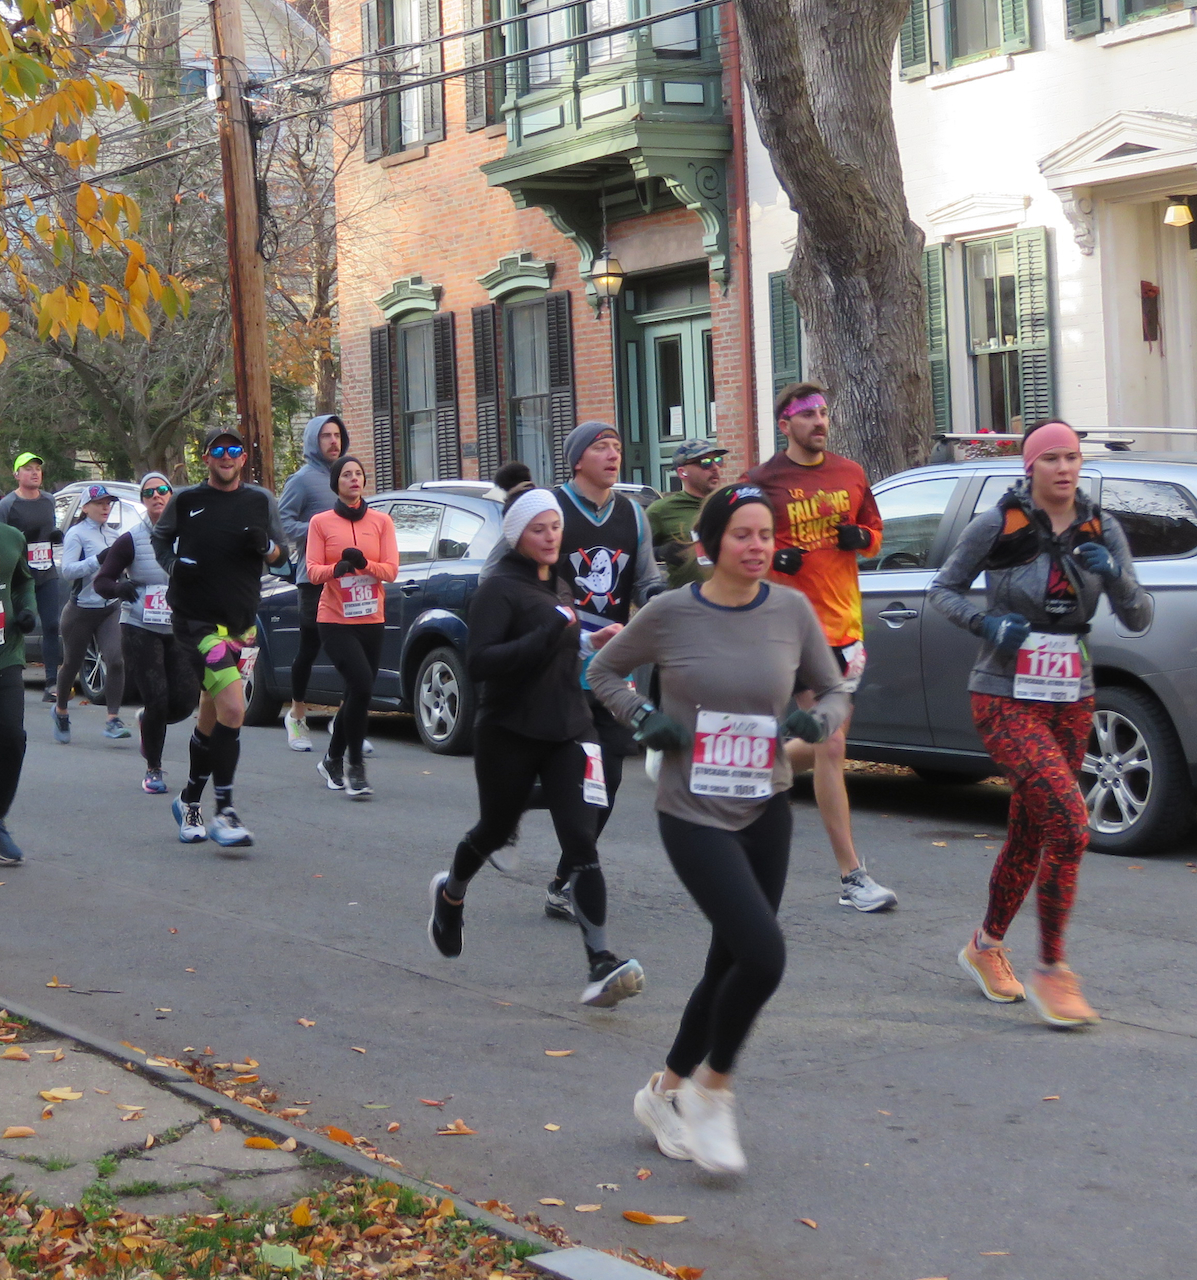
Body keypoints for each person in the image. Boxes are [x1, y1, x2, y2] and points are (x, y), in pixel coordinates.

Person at [588, 483, 849, 1174]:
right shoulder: (671, 613)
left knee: (728, 961)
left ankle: (664, 1091)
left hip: (765, 806)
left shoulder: (790, 611)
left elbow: (834, 688)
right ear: (710, 544)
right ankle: (713, 1089)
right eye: (742, 534)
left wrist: (816, 719)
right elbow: (603, 670)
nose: (757, 546)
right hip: (692, 811)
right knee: (763, 956)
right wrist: (644, 718)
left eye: (765, 534)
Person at [929, 420, 1150, 1028]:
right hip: (1004, 694)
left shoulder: (1101, 527)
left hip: (1072, 697)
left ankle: (985, 946)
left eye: (1071, 457)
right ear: (1030, 468)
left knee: (1032, 832)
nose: (1064, 467)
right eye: (1051, 458)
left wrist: (1115, 575)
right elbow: (943, 589)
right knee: (1071, 826)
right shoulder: (999, 523)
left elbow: (1139, 615)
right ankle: (1053, 969)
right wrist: (985, 624)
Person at [427, 485, 645, 1009]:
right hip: (510, 730)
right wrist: (550, 631)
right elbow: (482, 663)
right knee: (493, 829)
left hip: (570, 727)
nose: (550, 536)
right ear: (516, 535)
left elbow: (559, 646)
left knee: (582, 841)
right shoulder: (497, 589)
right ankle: (451, 895)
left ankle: (600, 962)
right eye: (538, 529)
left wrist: (588, 642)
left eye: (555, 527)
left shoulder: (559, 583)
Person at [483, 423, 663, 920]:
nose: (613, 454)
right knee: (565, 773)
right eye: (601, 447)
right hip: (555, 666)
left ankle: (562, 879)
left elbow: (645, 580)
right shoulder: (547, 509)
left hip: (610, 668)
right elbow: (495, 574)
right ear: (578, 459)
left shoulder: (633, 515)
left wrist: (657, 597)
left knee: (606, 781)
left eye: (618, 446)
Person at [745, 382, 897, 913]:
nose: (819, 422)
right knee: (831, 746)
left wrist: (863, 539)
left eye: (824, 413)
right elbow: (724, 542)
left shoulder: (851, 473)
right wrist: (771, 559)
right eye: (807, 414)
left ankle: (746, 769)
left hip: (846, 628)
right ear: (784, 424)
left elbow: (876, 532)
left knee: (826, 743)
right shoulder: (761, 481)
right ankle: (852, 876)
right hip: (793, 630)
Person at [152, 427, 289, 848]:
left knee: (212, 713)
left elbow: (282, 557)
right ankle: (224, 812)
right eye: (218, 450)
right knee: (233, 707)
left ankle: (189, 801)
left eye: (234, 450)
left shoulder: (261, 501)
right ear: (206, 458)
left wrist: (266, 547)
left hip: (241, 626)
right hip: (196, 623)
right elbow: (160, 537)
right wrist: (174, 565)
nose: (227, 456)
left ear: (243, 459)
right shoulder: (186, 500)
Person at [93, 473, 200, 794]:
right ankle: (153, 768)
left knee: (184, 702)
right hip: (140, 626)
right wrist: (119, 588)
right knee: (157, 698)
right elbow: (102, 581)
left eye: (163, 490)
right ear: (142, 500)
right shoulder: (131, 540)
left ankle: (148, 720)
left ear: (171, 496)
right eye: (149, 492)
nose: (156, 496)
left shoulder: (189, 535)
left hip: (178, 627)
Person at [305, 456, 398, 799]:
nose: (354, 479)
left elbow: (391, 570)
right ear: (336, 483)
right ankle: (355, 766)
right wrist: (338, 569)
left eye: (358, 473)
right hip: (335, 619)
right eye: (346, 474)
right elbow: (312, 571)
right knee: (360, 683)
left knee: (357, 693)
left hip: (371, 618)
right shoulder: (320, 522)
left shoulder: (381, 521)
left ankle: (331, 759)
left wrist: (364, 563)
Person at [278, 414, 349, 752]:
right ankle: (296, 716)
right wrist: (320, 529)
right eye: (325, 436)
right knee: (310, 648)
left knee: (350, 649)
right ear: (312, 441)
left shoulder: (348, 476)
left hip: (347, 580)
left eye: (337, 435)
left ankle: (346, 720)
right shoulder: (302, 480)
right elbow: (282, 524)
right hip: (313, 578)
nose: (333, 441)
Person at [54, 483, 130, 743]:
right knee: (72, 664)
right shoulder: (76, 534)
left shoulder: (114, 535)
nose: (105, 508)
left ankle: (113, 719)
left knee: (116, 660)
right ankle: (61, 710)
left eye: (108, 503)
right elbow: (68, 571)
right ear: (86, 507)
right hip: (81, 610)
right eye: (99, 503)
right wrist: (97, 559)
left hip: (110, 608)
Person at [0, 452, 63, 701]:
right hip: (17, 578)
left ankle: (51, 682)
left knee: (51, 625)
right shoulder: (7, 505)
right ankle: (11, 673)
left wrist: (55, 536)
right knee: (15, 624)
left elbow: (51, 530)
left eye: (37, 468)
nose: (35, 472)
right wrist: (25, 541)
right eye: (28, 469)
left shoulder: (49, 500)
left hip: (46, 571)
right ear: (17, 475)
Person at [0, 518, 37, 864]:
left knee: (12, 737)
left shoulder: (11, 538)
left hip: (5, 653)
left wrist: (27, 610)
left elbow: (23, 581)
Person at [646, 440, 725, 589]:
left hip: (732, 598)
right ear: (682, 472)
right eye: (705, 462)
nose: (715, 467)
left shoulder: (729, 504)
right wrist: (661, 552)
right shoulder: (661, 511)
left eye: (718, 460)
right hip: (687, 599)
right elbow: (634, 553)